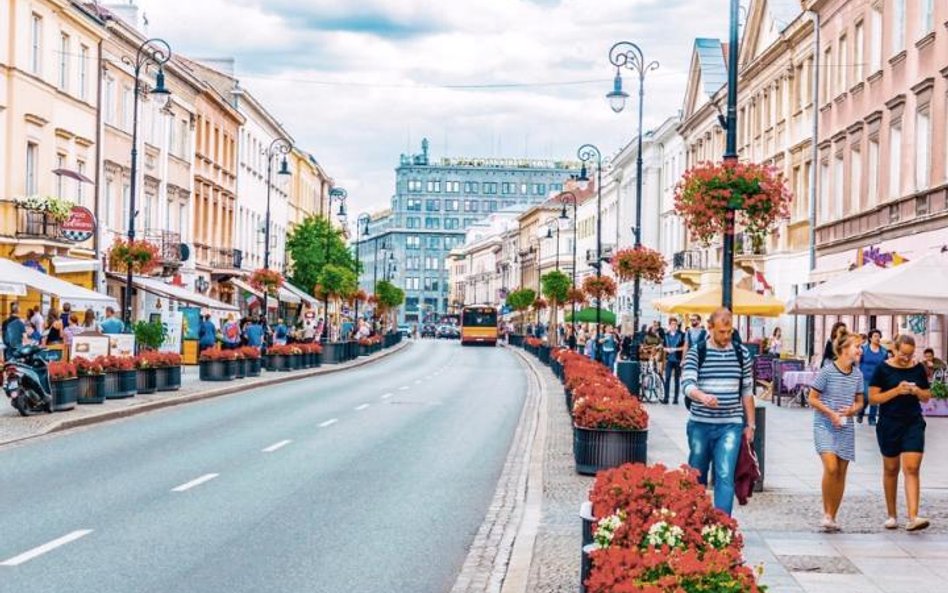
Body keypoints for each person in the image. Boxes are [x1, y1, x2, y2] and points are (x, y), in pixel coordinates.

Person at [681, 308, 755, 516]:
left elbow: (747, 390)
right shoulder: (698, 351)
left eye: (729, 331)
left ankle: (722, 525)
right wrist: (702, 396)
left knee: (724, 474)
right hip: (700, 424)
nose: (726, 336)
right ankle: (695, 520)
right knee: (697, 474)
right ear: (710, 328)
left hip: (730, 425)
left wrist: (751, 424)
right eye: (722, 331)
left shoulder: (742, 354)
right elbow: (686, 383)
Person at [869, 335, 932, 531]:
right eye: (903, 354)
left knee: (912, 468)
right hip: (889, 423)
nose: (907, 358)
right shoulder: (883, 368)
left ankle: (913, 516)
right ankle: (891, 514)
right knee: (891, 468)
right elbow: (873, 398)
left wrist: (916, 391)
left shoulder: (918, 369)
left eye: (910, 354)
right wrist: (896, 391)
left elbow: (927, 397)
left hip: (913, 422)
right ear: (895, 350)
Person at [807, 332, 865, 532]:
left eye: (860, 347)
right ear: (843, 349)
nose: (860, 350)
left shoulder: (858, 375)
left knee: (841, 471)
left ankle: (833, 515)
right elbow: (812, 398)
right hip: (824, 425)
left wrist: (852, 410)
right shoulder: (827, 371)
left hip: (845, 426)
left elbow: (860, 401)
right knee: (831, 467)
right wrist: (830, 413)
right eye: (856, 346)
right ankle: (826, 513)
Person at [858, 329, 887, 425]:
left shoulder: (883, 351)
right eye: (875, 336)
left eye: (878, 336)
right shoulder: (864, 349)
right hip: (865, 377)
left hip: (878, 378)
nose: (877, 338)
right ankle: (861, 412)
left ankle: (872, 418)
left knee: (874, 397)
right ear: (870, 338)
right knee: (866, 396)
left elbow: (886, 364)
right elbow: (858, 361)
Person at [662, 317, 685, 405]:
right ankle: (666, 398)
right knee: (667, 378)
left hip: (677, 359)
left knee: (676, 379)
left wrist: (675, 349)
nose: (674, 326)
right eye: (672, 324)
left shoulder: (681, 335)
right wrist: (666, 349)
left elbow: (684, 347)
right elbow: (663, 347)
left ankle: (675, 398)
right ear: (669, 325)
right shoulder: (666, 335)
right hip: (669, 359)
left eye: (675, 324)